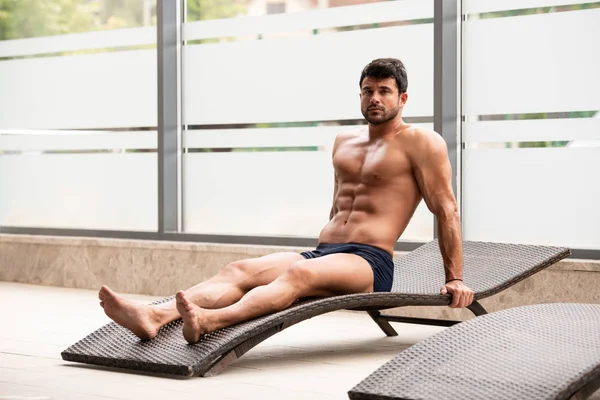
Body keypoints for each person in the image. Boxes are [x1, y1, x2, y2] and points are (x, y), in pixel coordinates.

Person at [99, 58, 475, 344]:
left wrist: (455, 278)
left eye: (384, 91)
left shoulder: (422, 142)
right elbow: (338, 204)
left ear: (402, 98)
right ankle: (155, 316)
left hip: (369, 262)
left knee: (297, 275)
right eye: (367, 90)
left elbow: (447, 209)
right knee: (239, 270)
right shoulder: (345, 142)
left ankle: (211, 321)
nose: (374, 98)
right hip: (326, 252)